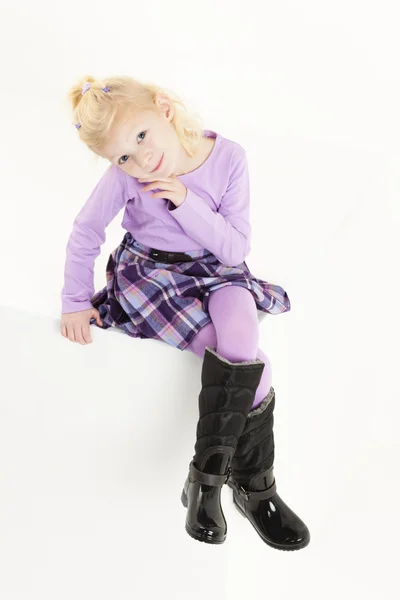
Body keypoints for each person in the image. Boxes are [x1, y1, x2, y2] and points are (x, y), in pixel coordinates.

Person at [60, 75, 310, 549]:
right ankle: (252, 487)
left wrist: (184, 200)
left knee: (240, 330)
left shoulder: (228, 158)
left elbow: (234, 250)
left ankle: (204, 480)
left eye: (141, 136)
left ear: (164, 108)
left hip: (216, 268)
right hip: (153, 277)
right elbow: (85, 231)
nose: (140, 159)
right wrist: (75, 300)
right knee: (256, 370)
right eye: (123, 157)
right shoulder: (125, 180)